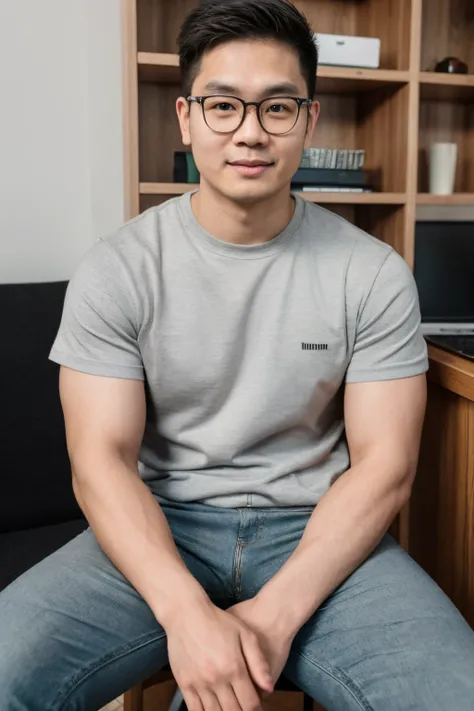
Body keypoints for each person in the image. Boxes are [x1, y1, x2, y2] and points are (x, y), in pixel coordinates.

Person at [1, 0, 474, 709]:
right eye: (224, 105)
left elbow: (385, 467)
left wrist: (272, 618)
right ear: (187, 116)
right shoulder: (118, 269)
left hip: (317, 531)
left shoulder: (371, 272)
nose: (250, 132)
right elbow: (100, 461)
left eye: (277, 107)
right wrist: (188, 616)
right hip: (159, 523)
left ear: (309, 122)